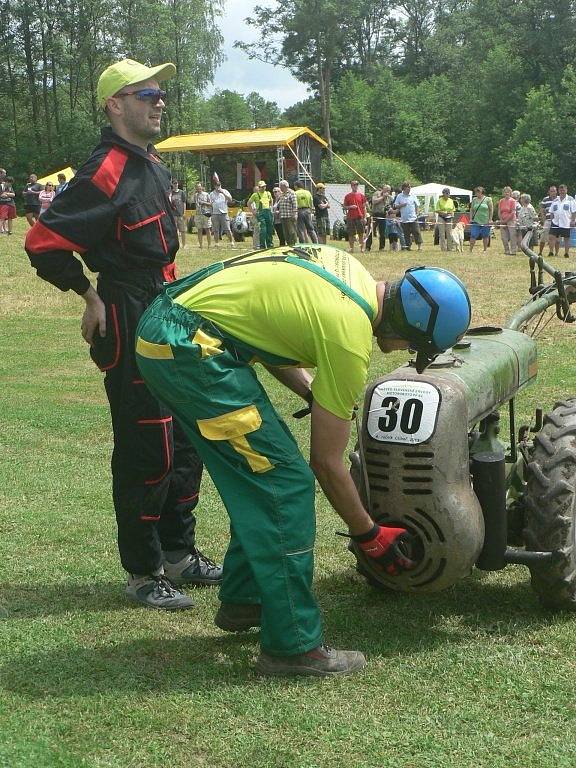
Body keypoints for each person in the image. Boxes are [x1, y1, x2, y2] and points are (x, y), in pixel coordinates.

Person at [135, 245, 472, 676]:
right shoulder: (348, 337)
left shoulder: (349, 271)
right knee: (283, 483)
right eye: (413, 343)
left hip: (175, 325)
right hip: (190, 349)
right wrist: (368, 533)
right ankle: (292, 646)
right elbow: (327, 464)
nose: (402, 350)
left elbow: (270, 336)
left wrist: (312, 392)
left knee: (259, 474)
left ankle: (246, 599)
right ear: (408, 324)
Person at [25, 57, 222, 610]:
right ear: (115, 104)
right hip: (129, 308)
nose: (159, 101)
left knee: (187, 435)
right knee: (147, 445)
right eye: (145, 94)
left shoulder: (151, 163)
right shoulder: (104, 169)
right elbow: (43, 242)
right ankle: (143, 570)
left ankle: (180, 554)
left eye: (160, 93)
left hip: (169, 304)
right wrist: (89, 295)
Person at [548, 184, 576, 258]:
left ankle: (566, 253)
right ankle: (551, 252)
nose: (562, 191)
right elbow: (551, 212)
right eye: (560, 190)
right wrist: (552, 220)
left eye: (563, 190)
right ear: (558, 191)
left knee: (566, 238)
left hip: (566, 222)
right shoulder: (555, 200)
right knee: (551, 237)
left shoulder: (571, 200)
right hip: (555, 222)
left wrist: (573, 221)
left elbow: (574, 212)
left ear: (566, 190)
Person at [394, 181, 422, 251]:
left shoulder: (413, 195)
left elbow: (417, 205)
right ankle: (408, 247)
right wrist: (402, 205)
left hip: (413, 218)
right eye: (408, 187)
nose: (410, 188)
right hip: (404, 218)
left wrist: (417, 213)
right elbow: (395, 206)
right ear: (404, 188)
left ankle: (419, 247)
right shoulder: (399, 196)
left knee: (416, 232)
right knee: (406, 233)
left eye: (410, 187)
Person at [343, 180, 368, 253]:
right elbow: (344, 207)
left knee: (361, 233)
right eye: (354, 185)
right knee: (351, 234)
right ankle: (351, 248)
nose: (355, 186)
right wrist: (350, 206)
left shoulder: (361, 196)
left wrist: (365, 217)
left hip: (360, 217)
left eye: (356, 185)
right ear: (351, 186)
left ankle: (362, 249)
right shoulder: (347, 196)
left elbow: (364, 207)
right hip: (350, 217)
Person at [248, 180, 274, 249]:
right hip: (260, 213)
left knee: (269, 229)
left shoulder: (268, 193)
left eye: (264, 186)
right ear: (259, 187)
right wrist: (253, 212)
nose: (263, 188)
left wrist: (271, 208)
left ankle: (270, 244)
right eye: (262, 187)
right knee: (263, 229)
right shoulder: (255, 195)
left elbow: (271, 200)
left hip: (268, 212)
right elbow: (248, 203)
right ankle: (262, 245)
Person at [210, 180, 236, 248]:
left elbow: (230, 200)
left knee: (227, 228)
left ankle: (231, 242)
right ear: (214, 186)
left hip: (224, 213)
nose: (218, 187)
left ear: (220, 185)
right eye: (216, 186)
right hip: (215, 213)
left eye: (219, 185)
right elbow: (210, 203)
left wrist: (223, 193)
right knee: (215, 229)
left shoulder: (225, 191)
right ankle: (216, 243)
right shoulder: (212, 194)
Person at [469, 186, 493, 253]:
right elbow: (471, 209)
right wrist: (471, 218)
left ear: (482, 192)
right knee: (473, 235)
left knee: (485, 235)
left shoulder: (488, 199)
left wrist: (490, 219)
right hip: (476, 220)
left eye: (478, 192)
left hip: (486, 221)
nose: (476, 193)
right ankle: (470, 249)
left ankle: (485, 249)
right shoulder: (474, 199)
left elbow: (491, 210)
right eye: (476, 192)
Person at [371, 184, 392, 250]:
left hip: (383, 215)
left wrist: (388, 208)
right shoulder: (376, 193)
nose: (388, 191)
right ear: (383, 189)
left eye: (389, 190)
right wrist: (383, 197)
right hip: (375, 214)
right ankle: (368, 247)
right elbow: (374, 202)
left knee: (382, 233)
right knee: (371, 231)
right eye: (386, 189)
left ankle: (382, 247)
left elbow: (389, 205)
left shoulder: (388, 197)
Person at [538, 185, 557, 257]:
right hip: (547, 221)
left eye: (554, 191)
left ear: (556, 191)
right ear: (549, 192)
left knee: (555, 239)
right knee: (543, 237)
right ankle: (540, 252)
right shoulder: (545, 199)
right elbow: (542, 210)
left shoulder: (559, 199)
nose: (553, 192)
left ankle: (553, 253)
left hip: (556, 222)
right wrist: (544, 220)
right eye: (551, 191)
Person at [277, 179, 298, 246]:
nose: (280, 188)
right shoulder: (282, 194)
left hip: (290, 216)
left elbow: (295, 205)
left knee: (291, 232)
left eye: (281, 187)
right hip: (283, 216)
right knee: (285, 233)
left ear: (285, 186)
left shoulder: (292, 193)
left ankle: (293, 244)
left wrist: (294, 214)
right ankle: (288, 244)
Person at [498, 186, 517, 255]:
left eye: (508, 192)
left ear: (510, 193)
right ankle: (506, 250)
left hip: (511, 220)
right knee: (503, 237)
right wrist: (501, 219)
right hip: (502, 220)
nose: (506, 193)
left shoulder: (513, 201)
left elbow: (513, 212)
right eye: (505, 192)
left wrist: (506, 220)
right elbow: (499, 211)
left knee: (512, 236)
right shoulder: (501, 201)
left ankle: (513, 250)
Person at [435, 187, 455, 252]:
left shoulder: (451, 201)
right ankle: (443, 248)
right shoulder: (439, 200)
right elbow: (437, 210)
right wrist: (443, 213)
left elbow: (453, 209)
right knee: (442, 234)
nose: (447, 194)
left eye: (448, 193)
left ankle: (450, 248)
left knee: (449, 233)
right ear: (443, 194)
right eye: (446, 193)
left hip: (449, 218)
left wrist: (452, 214)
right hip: (441, 218)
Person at [193, 181, 212, 249]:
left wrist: (203, 202)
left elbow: (210, 204)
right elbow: (195, 203)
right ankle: (201, 245)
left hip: (206, 214)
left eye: (199, 186)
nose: (198, 188)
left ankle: (209, 245)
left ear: (202, 187)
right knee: (199, 230)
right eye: (197, 187)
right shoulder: (195, 195)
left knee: (207, 229)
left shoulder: (206, 194)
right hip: (198, 214)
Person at [169, 179, 187, 248]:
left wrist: (184, 212)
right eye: (174, 183)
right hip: (173, 214)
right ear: (172, 184)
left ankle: (184, 244)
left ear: (178, 184)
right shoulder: (170, 193)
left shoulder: (182, 192)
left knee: (183, 230)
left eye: (176, 183)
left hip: (180, 214)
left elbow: (184, 203)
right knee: (175, 231)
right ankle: (177, 244)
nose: (175, 184)